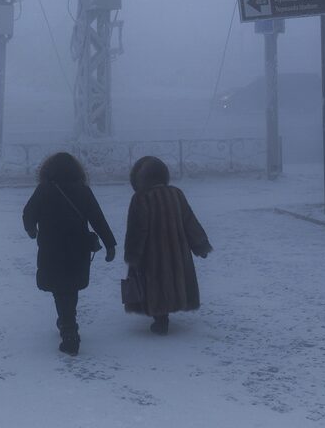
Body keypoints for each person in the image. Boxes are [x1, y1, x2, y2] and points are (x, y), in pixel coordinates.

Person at [22, 152, 117, 356]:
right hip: (78, 247)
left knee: (60, 288)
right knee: (70, 287)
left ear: (48, 170)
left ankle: (68, 328)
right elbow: (98, 219)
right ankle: (67, 322)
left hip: (51, 248)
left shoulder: (44, 190)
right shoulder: (83, 191)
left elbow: (28, 213)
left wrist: (32, 230)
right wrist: (110, 245)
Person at [123, 156, 212, 335]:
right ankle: (165, 313)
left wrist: (133, 255)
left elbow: (136, 230)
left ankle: (161, 319)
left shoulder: (140, 198)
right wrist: (200, 245)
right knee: (174, 278)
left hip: (152, 253)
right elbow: (189, 221)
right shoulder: (176, 193)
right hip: (178, 251)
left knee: (155, 281)